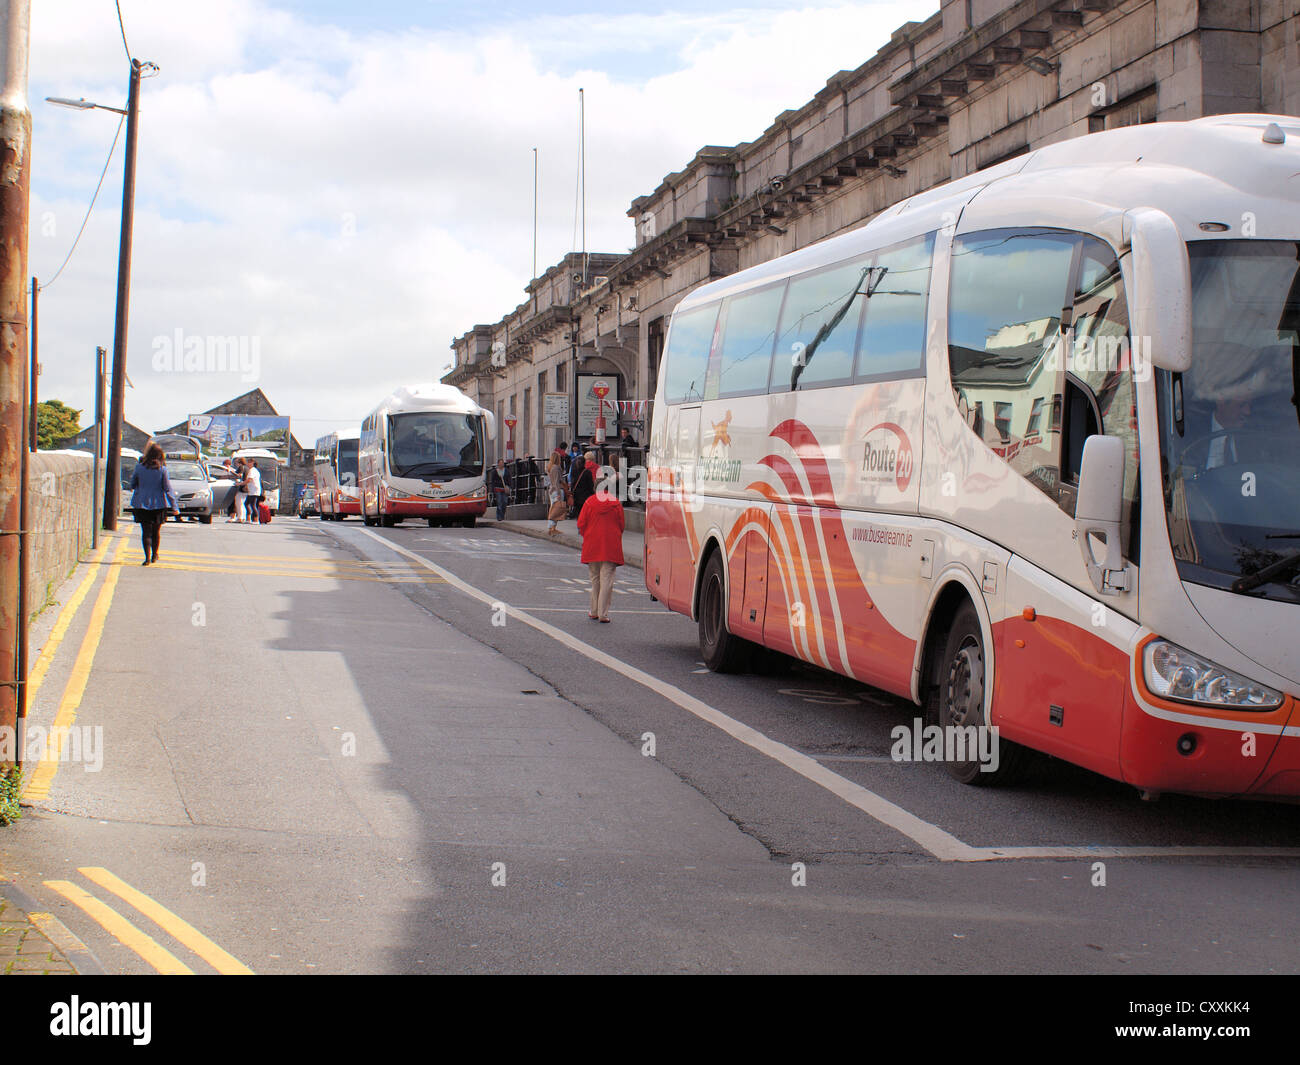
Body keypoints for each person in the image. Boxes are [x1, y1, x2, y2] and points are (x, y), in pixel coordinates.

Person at [577, 469, 625, 623]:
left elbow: (581, 524)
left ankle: (594, 610)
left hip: (592, 544)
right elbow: (621, 524)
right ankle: (603, 613)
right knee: (607, 580)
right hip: (610, 545)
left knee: (595, 579)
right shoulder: (615, 503)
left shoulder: (589, 502)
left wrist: (587, 535)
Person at [129, 441, 178, 565]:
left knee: (145, 532)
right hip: (158, 504)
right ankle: (155, 554)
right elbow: (167, 488)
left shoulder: (139, 467)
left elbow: (132, 484)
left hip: (141, 504)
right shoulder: (162, 470)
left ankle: (147, 558)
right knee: (156, 532)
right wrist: (174, 506)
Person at [571, 450, 597, 520]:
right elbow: (590, 485)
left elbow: (572, 483)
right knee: (586, 514)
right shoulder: (587, 472)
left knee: (579, 514)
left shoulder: (574, 471)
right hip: (585, 496)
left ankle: (580, 527)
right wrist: (593, 493)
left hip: (576, 496)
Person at [546, 449, 566, 537]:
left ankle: (551, 527)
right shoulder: (557, 468)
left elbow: (552, 481)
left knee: (553, 508)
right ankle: (552, 528)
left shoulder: (550, 467)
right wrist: (558, 493)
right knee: (556, 509)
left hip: (551, 490)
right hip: (557, 490)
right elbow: (557, 482)